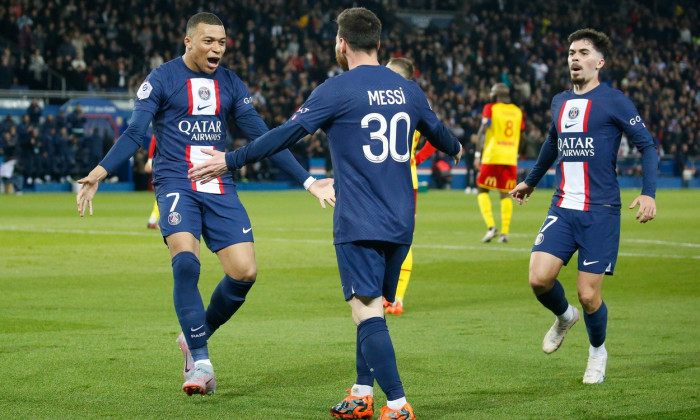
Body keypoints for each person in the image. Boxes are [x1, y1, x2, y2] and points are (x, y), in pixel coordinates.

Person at [187, 8, 462, 419]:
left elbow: (283, 136)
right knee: (372, 309)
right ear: (379, 44)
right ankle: (361, 392)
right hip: (402, 220)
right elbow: (446, 141)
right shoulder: (409, 89)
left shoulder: (336, 90)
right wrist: (452, 145)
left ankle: (399, 405)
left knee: (365, 312)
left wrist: (232, 159)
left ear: (341, 44)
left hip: (359, 219)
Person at [76, 12, 335, 397]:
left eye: (222, 43)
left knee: (245, 272)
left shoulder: (230, 83)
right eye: (209, 41)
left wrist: (309, 181)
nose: (217, 49)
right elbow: (135, 132)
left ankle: (193, 335)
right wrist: (98, 172)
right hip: (175, 181)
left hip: (217, 180)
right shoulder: (161, 79)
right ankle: (201, 363)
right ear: (188, 42)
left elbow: (263, 137)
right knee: (185, 262)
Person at [509, 28, 658, 384]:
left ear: (600, 62)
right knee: (538, 278)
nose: (574, 58)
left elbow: (648, 146)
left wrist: (649, 192)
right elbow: (552, 141)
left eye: (583, 52)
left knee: (589, 296)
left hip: (601, 210)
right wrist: (531, 179)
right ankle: (564, 317)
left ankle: (597, 351)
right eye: (571, 52)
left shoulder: (615, 101)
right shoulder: (559, 101)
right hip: (563, 206)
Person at [382, 56, 437, 316]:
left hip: (405, 182)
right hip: (377, 177)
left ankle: (397, 298)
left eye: (389, 71)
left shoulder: (416, 100)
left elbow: (437, 136)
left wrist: (418, 157)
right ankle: (380, 294)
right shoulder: (380, 96)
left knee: (403, 239)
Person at [475, 83, 525, 243]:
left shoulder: (490, 108)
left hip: (492, 155)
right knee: (505, 194)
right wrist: (516, 152)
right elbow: (522, 135)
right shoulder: (517, 111)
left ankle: (491, 227)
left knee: (482, 189)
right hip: (510, 158)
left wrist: (477, 154)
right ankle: (504, 233)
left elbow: (483, 129)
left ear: (495, 95)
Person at [144, 134, 159, 229]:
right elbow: (154, 138)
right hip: (162, 166)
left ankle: (152, 220)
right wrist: (150, 161)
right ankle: (152, 221)